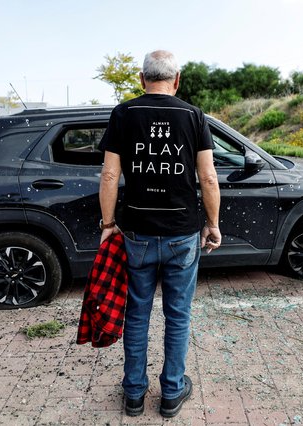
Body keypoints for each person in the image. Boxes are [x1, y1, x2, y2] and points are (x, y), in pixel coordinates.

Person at [97, 50, 221, 418]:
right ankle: (171, 392)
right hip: (182, 233)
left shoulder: (124, 113)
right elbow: (208, 177)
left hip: (136, 232)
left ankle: (134, 393)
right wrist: (212, 224)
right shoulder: (193, 115)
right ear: (177, 79)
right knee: (178, 314)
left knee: (136, 314)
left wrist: (107, 224)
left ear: (141, 79)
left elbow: (108, 176)